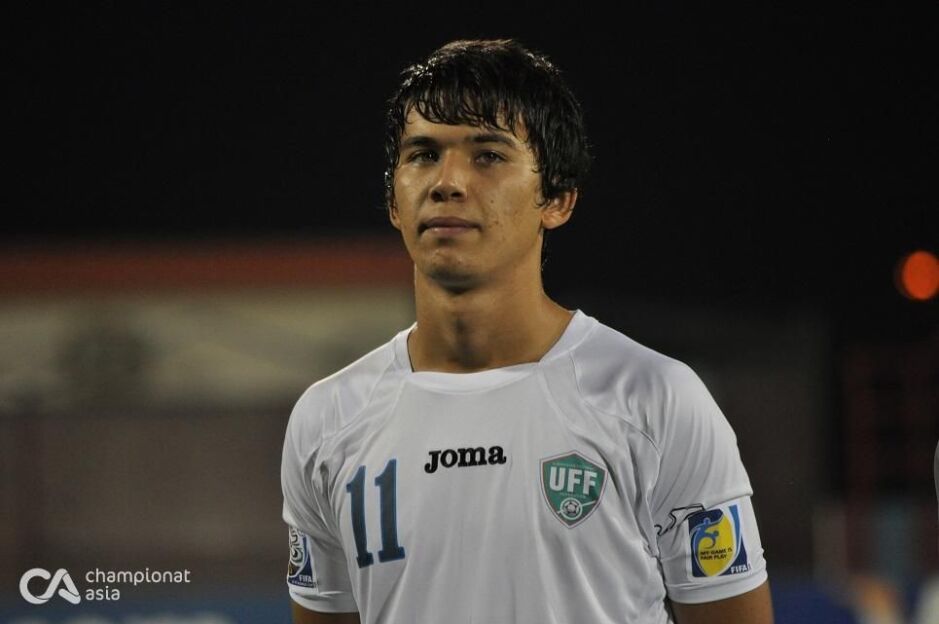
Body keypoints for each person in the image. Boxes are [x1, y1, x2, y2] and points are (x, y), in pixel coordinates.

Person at [281, 38, 773, 624]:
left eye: (488, 155)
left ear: (557, 199)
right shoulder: (327, 421)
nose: (447, 182)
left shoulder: (654, 400)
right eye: (423, 154)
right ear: (393, 200)